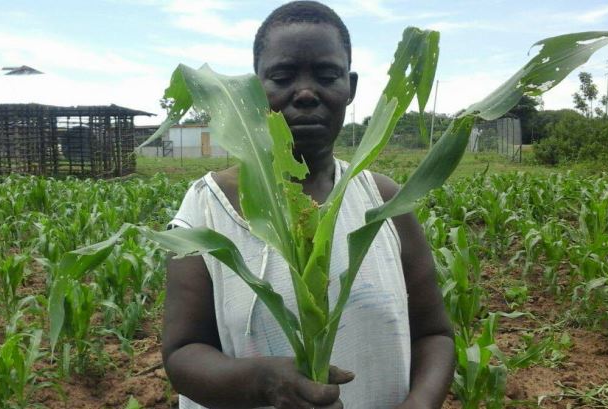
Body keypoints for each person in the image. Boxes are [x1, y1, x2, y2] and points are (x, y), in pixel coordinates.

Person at [162, 2, 455, 408]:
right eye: (282, 77)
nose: (304, 93)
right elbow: (181, 354)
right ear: (255, 89)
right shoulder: (208, 206)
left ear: (349, 87)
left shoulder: (384, 201)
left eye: (327, 75)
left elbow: (434, 335)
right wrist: (263, 383)